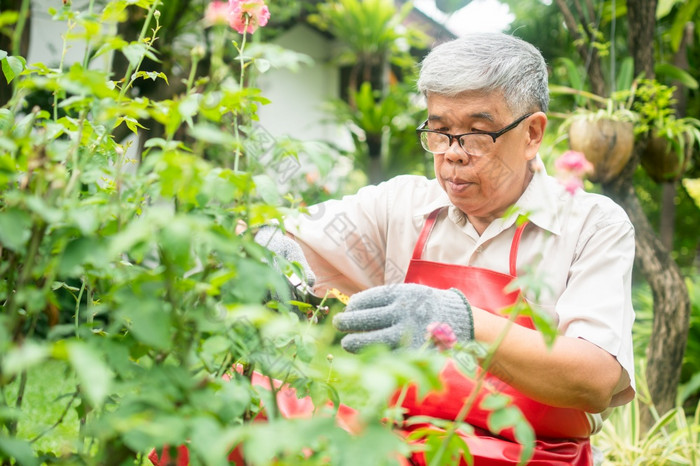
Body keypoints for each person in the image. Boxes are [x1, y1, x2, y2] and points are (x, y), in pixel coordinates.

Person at [254, 32, 636, 465]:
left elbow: (596, 378)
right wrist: (268, 246)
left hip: (531, 454)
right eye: (439, 132)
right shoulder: (402, 204)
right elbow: (283, 234)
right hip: (397, 440)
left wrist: (459, 323)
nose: (452, 155)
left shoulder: (592, 224)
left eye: (476, 134)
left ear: (532, 133)